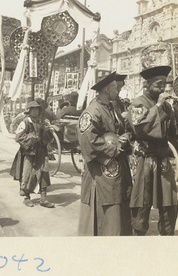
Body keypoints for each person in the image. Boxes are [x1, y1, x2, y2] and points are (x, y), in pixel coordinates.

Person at [77, 71, 133, 236]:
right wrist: (113, 150)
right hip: (101, 170)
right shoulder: (92, 112)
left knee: (118, 203)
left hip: (117, 168)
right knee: (105, 207)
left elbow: (123, 130)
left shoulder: (113, 108)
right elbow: (87, 141)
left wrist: (125, 138)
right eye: (115, 87)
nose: (118, 90)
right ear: (107, 90)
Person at [127, 65, 178, 236]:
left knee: (169, 200)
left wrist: (175, 112)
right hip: (145, 158)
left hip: (162, 157)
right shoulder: (138, 102)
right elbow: (139, 128)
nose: (163, 88)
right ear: (147, 84)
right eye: (159, 84)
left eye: (164, 84)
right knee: (142, 200)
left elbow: (173, 133)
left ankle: (167, 234)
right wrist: (158, 106)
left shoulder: (166, 106)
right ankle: (139, 234)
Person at [10, 100, 54, 208]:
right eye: (33, 109)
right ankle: (27, 197)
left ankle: (43, 199)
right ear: (29, 111)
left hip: (41, 151)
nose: (35, 112)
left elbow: (49, 138)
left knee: (44, 173)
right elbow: (19, 137)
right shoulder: (25, 122)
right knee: (28, 174)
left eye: (37, 109)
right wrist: (33, 138)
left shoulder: (43, 121)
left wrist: (46, 131)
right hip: (29, 152)